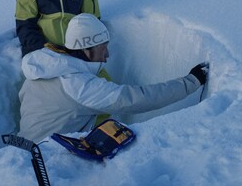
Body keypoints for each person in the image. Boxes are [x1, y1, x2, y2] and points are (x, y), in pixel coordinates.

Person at [18, 13, 208, 143]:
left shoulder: (42, 67)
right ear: (86, 48)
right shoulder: (80, 86)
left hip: (23, 147)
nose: (107, 55)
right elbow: (139, 98)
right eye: (103, 48)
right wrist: (191, 81)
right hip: (46, 157)